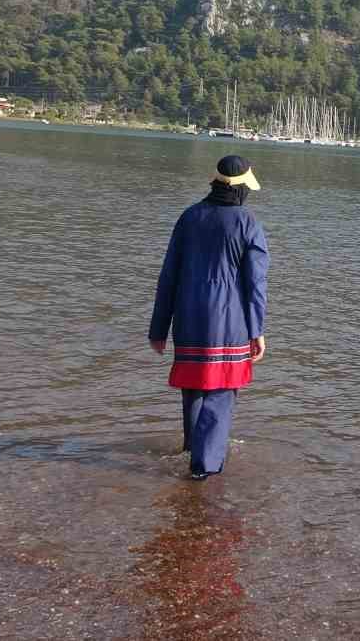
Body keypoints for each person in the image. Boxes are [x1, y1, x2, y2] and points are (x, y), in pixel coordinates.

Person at [150, 155, 270, 480]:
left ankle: (192, 449)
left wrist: (158, 328)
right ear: (242, 188)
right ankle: (204, 468)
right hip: (229, 322)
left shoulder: (189, 217)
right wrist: (257, 330)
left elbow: (168, 275)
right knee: (221, 392)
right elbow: (255, 284)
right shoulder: (248, 223)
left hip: (188, 319)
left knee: (193, 388)